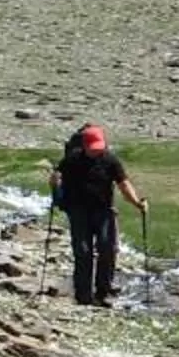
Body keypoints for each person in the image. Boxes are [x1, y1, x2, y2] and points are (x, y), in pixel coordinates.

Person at [49, 125, 148, 308]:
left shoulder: (110, 160)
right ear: (84, 146)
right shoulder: (71, 160)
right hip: (78, 211)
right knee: (83, 251)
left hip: (104, 210)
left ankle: (103, 292)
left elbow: (123, 184)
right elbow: (57, 179)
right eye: (93, 148)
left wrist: (137, 203)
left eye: (99, 147)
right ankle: (83, 295)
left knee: (107, 248)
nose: (96, 151)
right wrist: (55, 185)